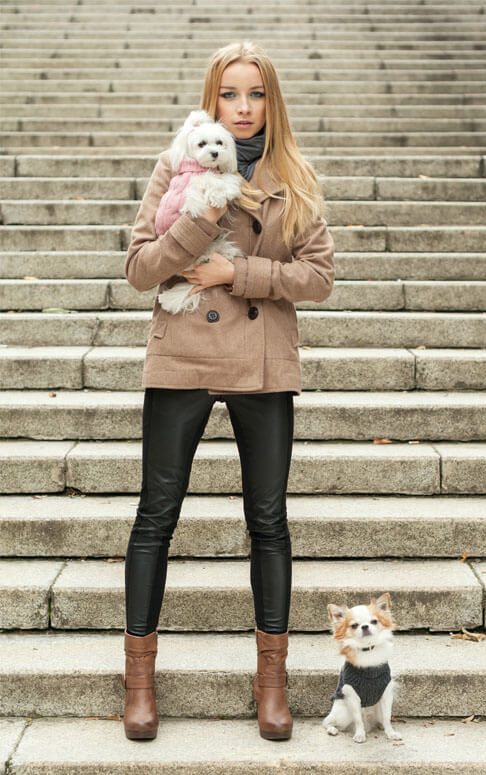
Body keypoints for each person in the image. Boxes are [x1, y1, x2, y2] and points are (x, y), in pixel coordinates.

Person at [122, 39, 336, 742]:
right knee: (156, 513)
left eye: (256, 94)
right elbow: (140, 268)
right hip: (183, 350)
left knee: (268, 519)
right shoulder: (176, 165)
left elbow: (319, 276)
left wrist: (236, 275)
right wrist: (201, 223)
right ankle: (139, 682)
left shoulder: (292, 175)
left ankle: (271, 683)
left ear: (272, 101)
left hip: (261, 357)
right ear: (211, 99)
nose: (243, 108)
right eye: (230, 94)